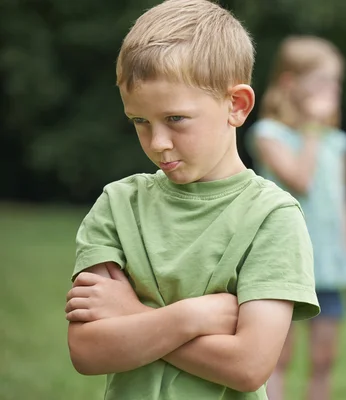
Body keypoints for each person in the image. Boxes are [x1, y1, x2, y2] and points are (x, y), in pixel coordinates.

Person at [64, 1, 320, 399]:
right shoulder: (117, 205)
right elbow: (87, 350)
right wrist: (190, 317)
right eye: (140, 122)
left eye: (176, 119)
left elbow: (248, 366)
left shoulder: (272, 217)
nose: (158, 143)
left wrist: (131, 315)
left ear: (236, 105)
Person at [246, 36, 346, 400]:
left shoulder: (337, 142)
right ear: (290, 84)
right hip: (284, 263)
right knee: (278, 357)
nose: (333, 91)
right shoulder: (268, 135)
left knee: (323, 360)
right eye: (323, 82)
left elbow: (342, 204)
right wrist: (311, 129)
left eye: (336, 82)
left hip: (327, 265)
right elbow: (301, 180)